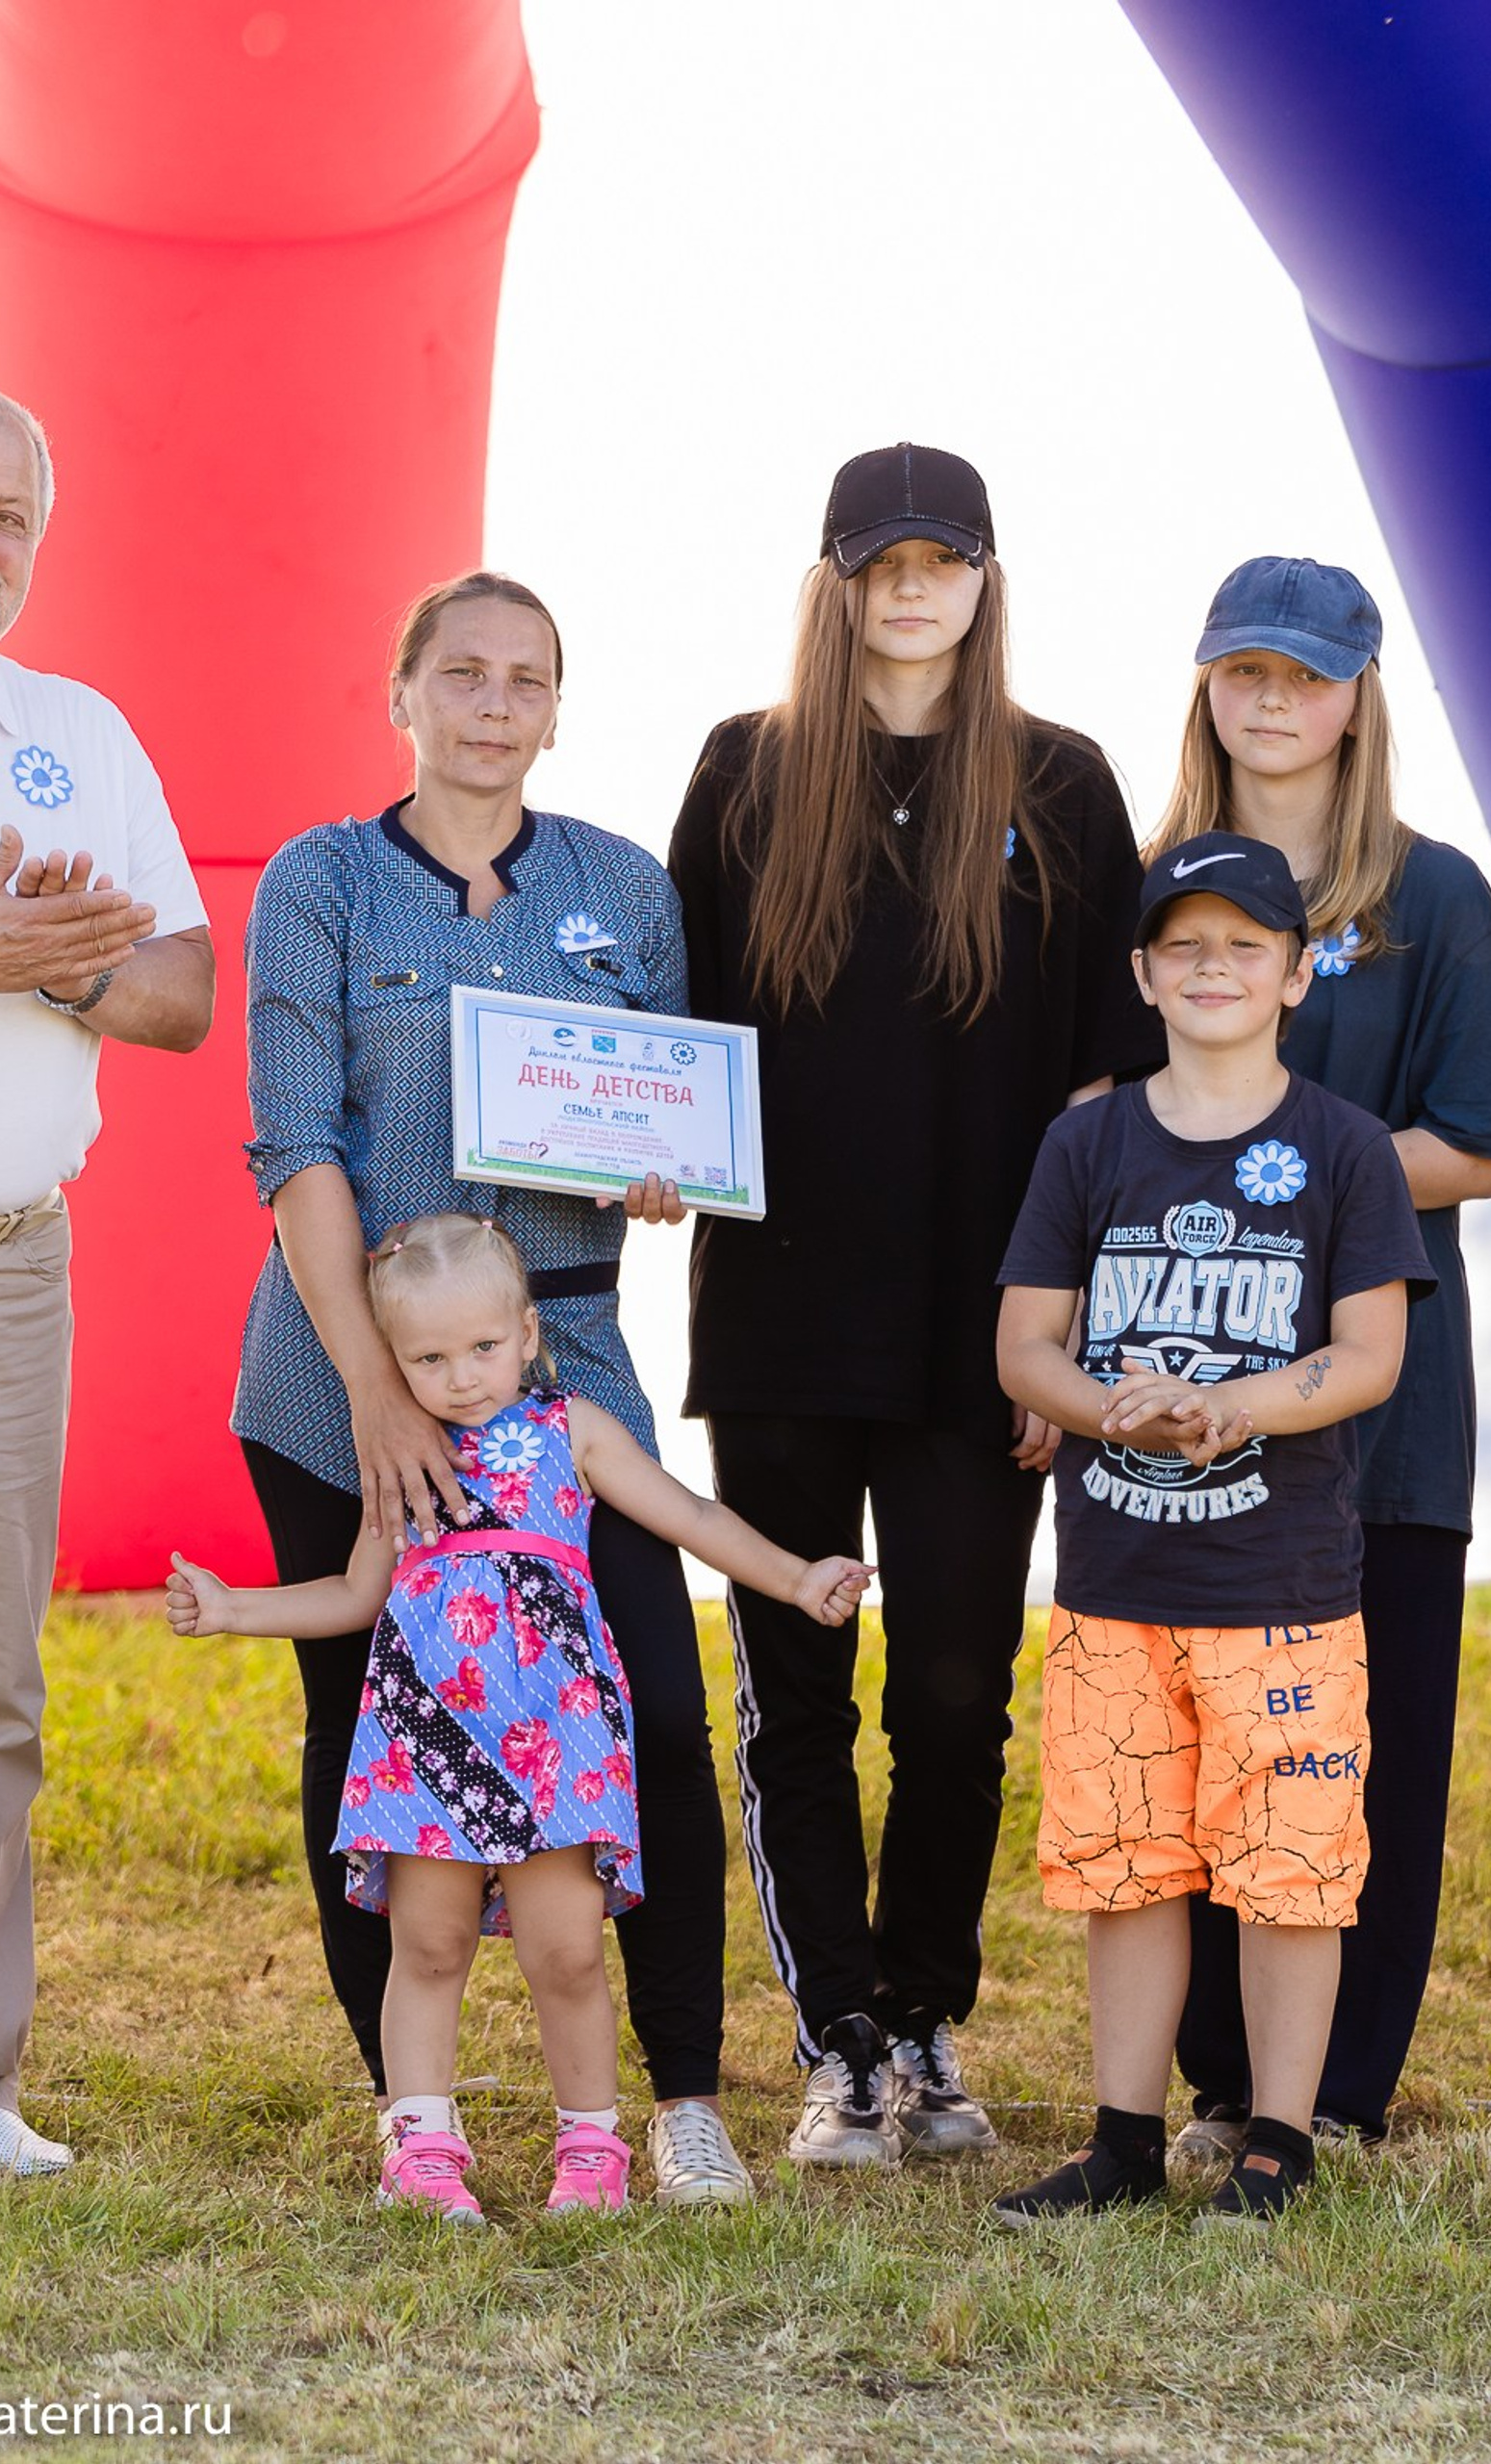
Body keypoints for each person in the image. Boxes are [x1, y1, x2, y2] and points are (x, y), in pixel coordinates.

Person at [233, 572, 758, 2205]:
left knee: (654, 1717)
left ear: (553, 706)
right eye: (461, 672)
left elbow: (663, 1098)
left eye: (526, 679)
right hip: (341, 1370)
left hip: (565, 1360)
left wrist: (666, 1164)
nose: (492, 704)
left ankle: (675, 2097)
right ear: (402, 690)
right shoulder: (321, 882)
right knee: (369, 1735)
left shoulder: (621, 886)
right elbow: (296, 1146)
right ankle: (415, 2109)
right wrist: (376, 1395)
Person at [666, 443, 1159, 2169]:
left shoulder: (1066, 784)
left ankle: (933, 2022)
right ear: (838, 581)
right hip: (785, 1324)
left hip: (988, 1327)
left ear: (986, 574)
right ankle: (842, 2046)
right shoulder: (746, 773)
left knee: (954, 1691)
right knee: (792, 1686)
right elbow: (680, 1044)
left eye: (946, 556)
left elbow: (1113, 1088)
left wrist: (1071, 1331)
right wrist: (648, 1157)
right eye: (885, 560)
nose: (918, 585)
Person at [176, 1216, 871, 2220]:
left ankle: (592, 2149)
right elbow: (352, 1595)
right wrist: (234, 1607)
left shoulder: (572, 1431)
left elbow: (692, 1514)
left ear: (528, 1333)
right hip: (429, 1745)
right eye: (428, 1357)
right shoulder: (405, 1462)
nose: (461, 1377)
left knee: (568, 1951)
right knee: (430, 1947)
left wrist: (798, 1576)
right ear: (394, 1359)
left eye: (483, 1348)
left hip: (556, 1743)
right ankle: (420, 2148)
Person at [1139, 556, 1491, 2157]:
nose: (1273, 701)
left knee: (1363, 1746)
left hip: (1382, 1400)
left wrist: (1281, 1158)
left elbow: (1477, 1149)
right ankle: (1226, 2077)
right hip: (1174, 1393)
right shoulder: (1152, 881)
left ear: (1360, 693)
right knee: (1197, 1739)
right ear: (1208, 684)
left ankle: (1343, 2090)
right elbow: (1104, 1129)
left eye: (1304, 674)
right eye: (1245, 670)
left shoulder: (1429, 895)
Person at [989, 833, 1429, 2225]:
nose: (1215, 969)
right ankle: (1121, 2137)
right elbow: (1023, 1346)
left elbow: (1368, 1357)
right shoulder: (1091, 1137)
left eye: (1247, 946)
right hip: (1117, 1579)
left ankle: (1277, 2142)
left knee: (1291, 1873)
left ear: (1299, 972)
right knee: (1126, 1866)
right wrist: (1118, 1413)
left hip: (1282, 1589)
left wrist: (1236, 1403)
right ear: (1143, 973)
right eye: (1185, 946)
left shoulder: (1344, 1147)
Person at [0, 392, 214, 2177]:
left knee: (0, 1690)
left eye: (12, 516)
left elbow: (184, 995)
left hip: (16, 1261)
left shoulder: (76, 734)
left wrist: (54, 975)